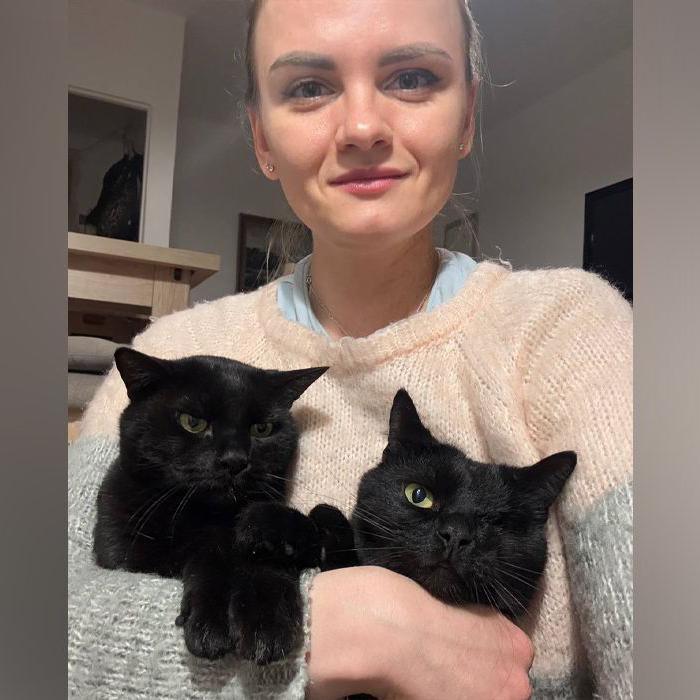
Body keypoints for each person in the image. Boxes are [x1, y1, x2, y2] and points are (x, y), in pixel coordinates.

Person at [68, 0, 632, 698]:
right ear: (262, 138)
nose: (363, 127)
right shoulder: (175, 347)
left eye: (412, 77)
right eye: (308, 87)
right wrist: (330, 633)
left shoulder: (575, 332)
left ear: (467, 118)